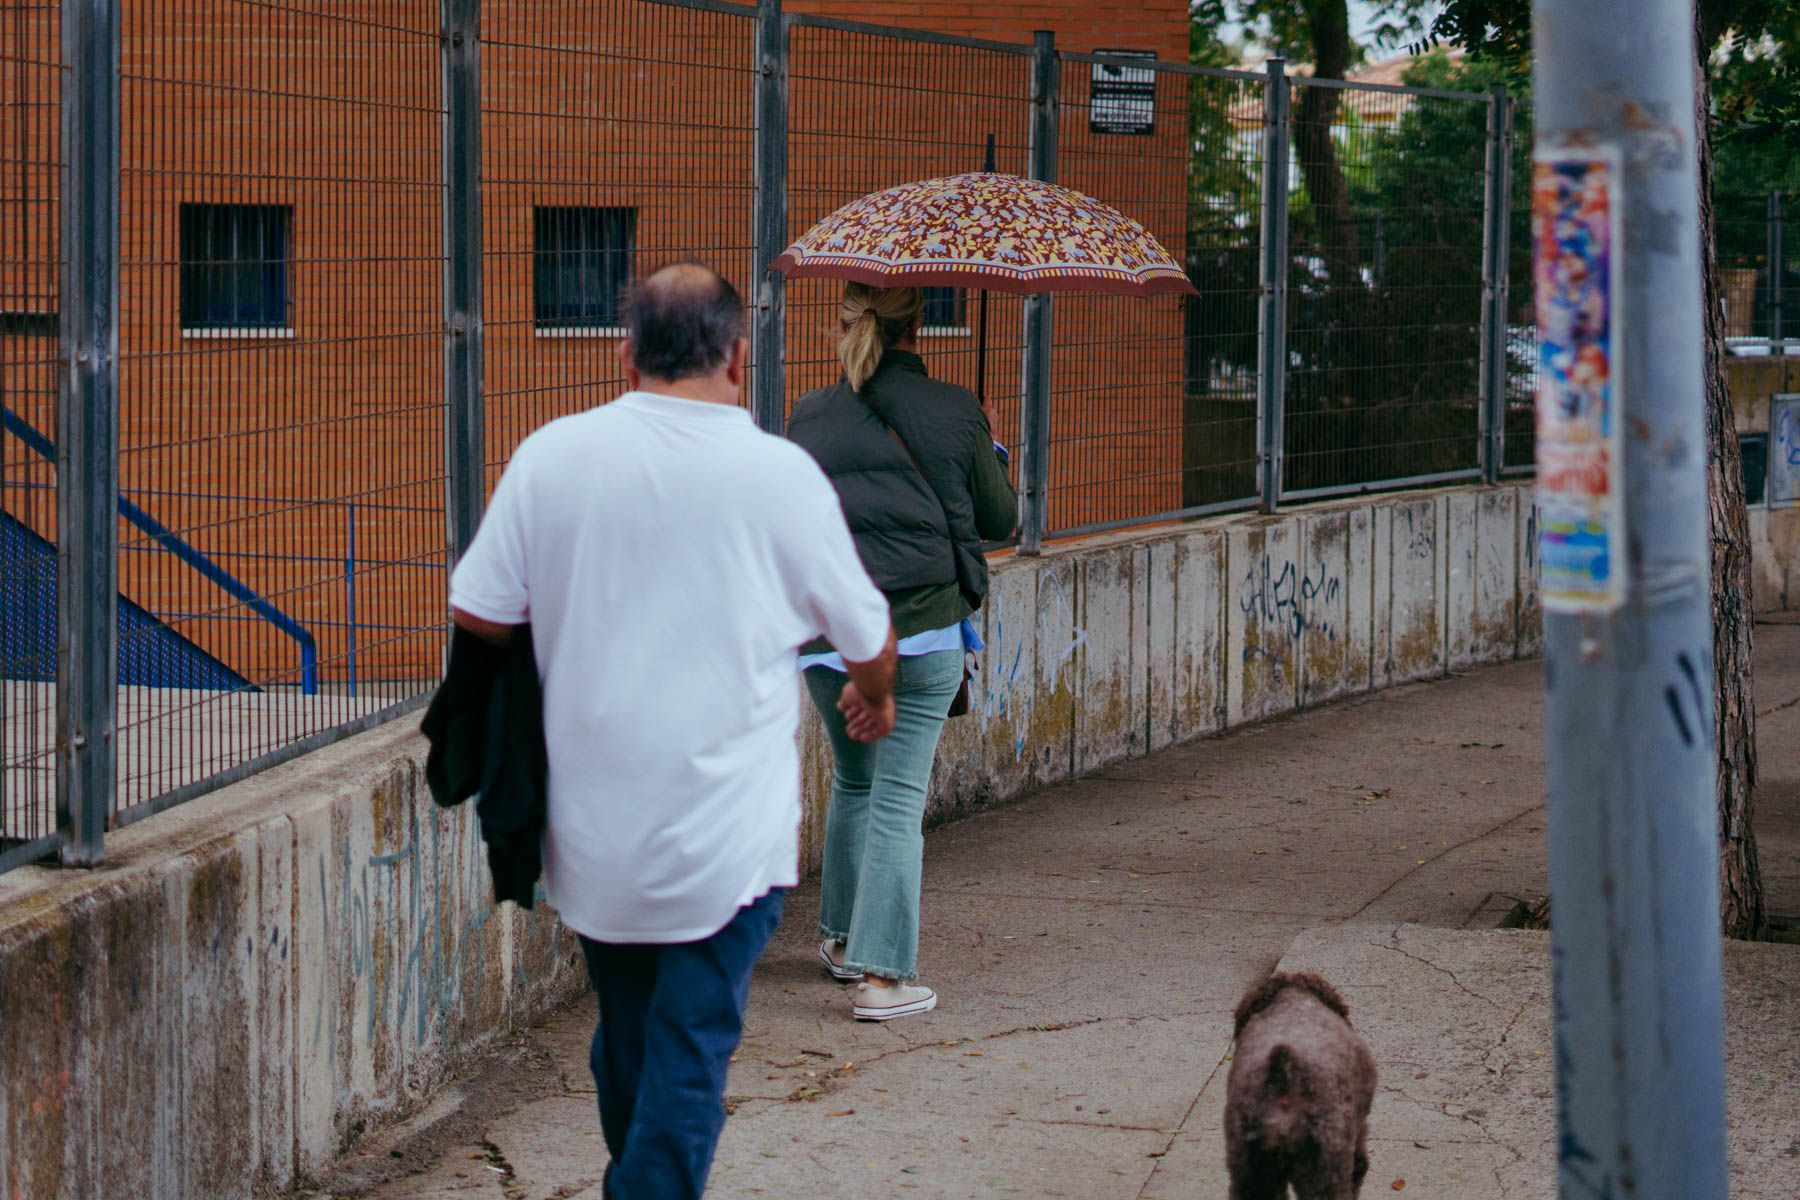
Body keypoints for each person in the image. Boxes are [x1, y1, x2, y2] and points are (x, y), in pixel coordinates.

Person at [447, 263, 899, 1199]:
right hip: (728, 843)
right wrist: (875, 697)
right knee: (684, 1054)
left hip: (593, 841)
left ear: (627, 357)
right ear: (737, 356)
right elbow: (868, 636)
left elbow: (481, 610)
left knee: (631, 1037)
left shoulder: (553, 458)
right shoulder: (779, 476)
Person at [786, 282, 1018, 1021]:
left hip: (829, 646)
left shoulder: (808, 416)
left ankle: (841, 940)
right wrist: (992, 448)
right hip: (920, 635)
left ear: (846, 323)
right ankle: (883, 978)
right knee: (895, 800)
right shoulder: (955, 408)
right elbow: (1000, 520)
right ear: (919, 323)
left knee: (855, 784)